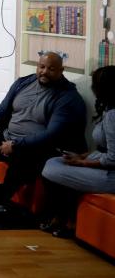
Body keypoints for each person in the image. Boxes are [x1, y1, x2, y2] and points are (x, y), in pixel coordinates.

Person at [0, 52, 87, 213]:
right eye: (41, 67)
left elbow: (51, 135)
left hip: (37, 148)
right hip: (8, 138)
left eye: (51, 69)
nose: (44, 72)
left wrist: (16, 145)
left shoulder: (67, 97)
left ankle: (0, 199)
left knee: (24, 158)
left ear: (61, 70)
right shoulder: (23, 83)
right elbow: (2, 110)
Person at [38, 66, 115, 238]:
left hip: (111, 177)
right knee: (55, 162)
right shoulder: (109, 110)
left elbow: (112, 159)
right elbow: (106, 149)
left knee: (51, 169)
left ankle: (68, 220)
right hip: (105, 167)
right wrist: (82, 156)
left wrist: (82, 163)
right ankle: (63, 217)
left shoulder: (112, 116)